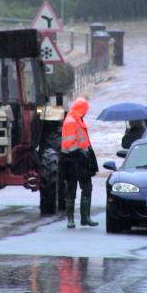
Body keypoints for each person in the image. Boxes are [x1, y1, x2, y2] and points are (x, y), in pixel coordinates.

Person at [61, 97, 99, 229]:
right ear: (80, 109)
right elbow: (69, 144)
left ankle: (85, 218)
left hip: (82, 160)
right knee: (71, 190)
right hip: (72, 160)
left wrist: (87, 153)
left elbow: (83, 140)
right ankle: (71, 220)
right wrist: (81, 154)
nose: (86, 113)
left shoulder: (78, 119)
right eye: (85, 110)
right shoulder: (71, 121)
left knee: (87, 188)